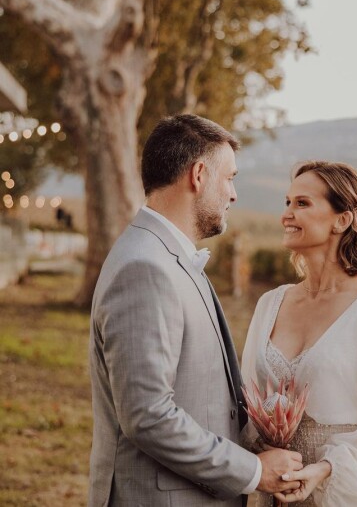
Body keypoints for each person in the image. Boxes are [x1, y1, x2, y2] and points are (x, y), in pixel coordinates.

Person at [88, 114, 303, 507]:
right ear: (199, 175)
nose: (234, 194)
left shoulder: (166, 257)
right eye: (230, 177)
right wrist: (253, 472)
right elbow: (149, 416)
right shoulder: (145, 268)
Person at [242, 161, 357, 506]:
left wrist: (324, 469)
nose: (286, 215)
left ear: (342, 219)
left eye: (302, 203)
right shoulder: (270, 303)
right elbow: (245, 402)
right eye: (286, 202)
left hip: (340, 494)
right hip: (273, 492)